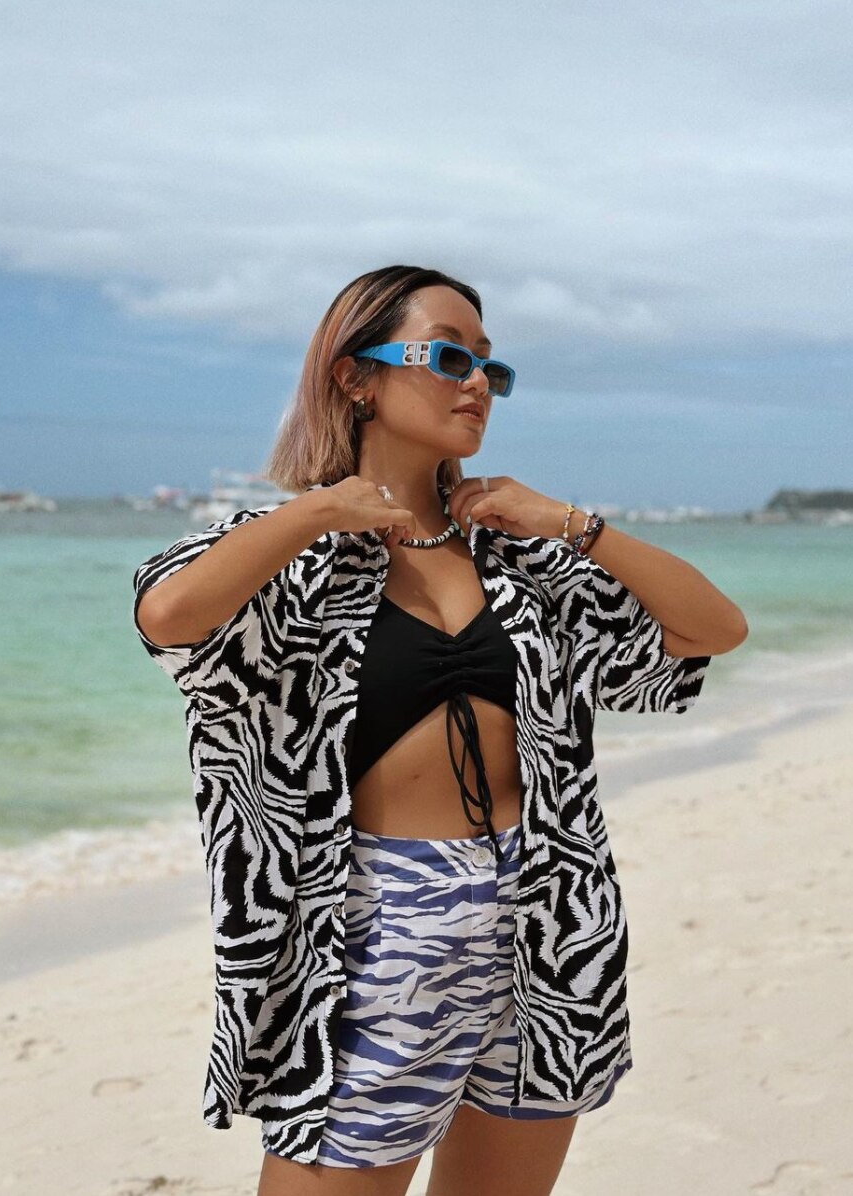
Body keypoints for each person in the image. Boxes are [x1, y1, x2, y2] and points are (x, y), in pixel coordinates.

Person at [132, 265, 748, 1196]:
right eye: (450, 355)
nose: (476, 385)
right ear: (356, 377)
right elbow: (170, 617)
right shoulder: (290, 552)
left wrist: (572, 524)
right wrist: (318, 512)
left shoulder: (523, 557)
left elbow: (713, 630)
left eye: (490, 369)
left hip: (549, 922)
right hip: (376, 934)